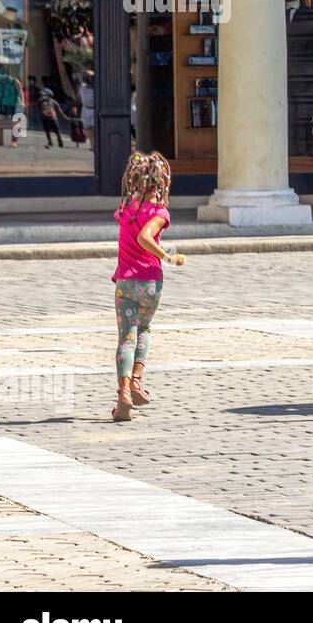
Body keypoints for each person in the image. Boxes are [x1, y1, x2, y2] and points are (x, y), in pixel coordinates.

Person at [110, 151, 184, 422]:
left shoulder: (125, 208)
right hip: (150, 283)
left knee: (125, 338)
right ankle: (137, 381)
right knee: (144, 329)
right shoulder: (160, 212)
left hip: (125, 283)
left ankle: (123, 394)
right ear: (161, 183)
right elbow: (145, 236)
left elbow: (133, 233)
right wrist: (167, 256)